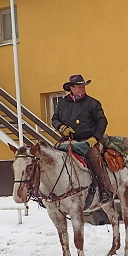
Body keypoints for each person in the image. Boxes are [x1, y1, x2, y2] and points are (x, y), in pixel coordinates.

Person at [51, 74, 113, 203]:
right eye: (79, 86)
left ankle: (103, 190)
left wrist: (95, 138)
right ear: (71, 88)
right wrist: (61, 127)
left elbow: (102, 122)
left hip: (88, 141)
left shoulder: (92, 103)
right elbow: (55, 119)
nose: (83, 88)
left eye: (83, 86)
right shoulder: (62, 103)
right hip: (68, 141)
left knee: (94, 159)